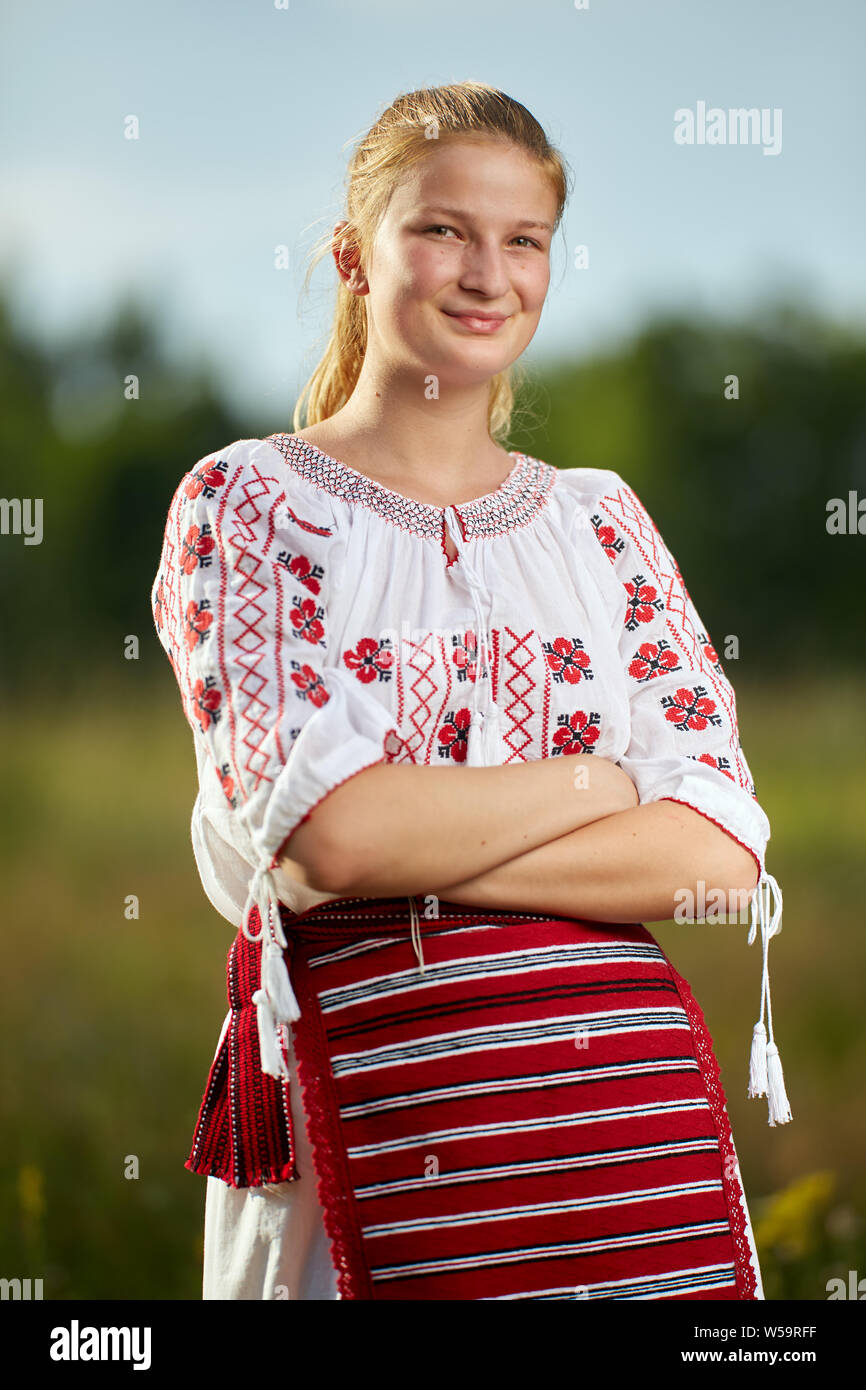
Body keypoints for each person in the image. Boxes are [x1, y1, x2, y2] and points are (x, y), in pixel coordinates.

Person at [150, 80, 790, 1302]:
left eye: (523, 240)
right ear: (352, 255)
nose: (485, 273)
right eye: (441, 229)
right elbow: (324, 831)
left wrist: (412, 842)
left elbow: (715, 860)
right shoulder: (249, 505)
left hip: (616, 1141)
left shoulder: (600, 523)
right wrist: (595, 786)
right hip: (362, 1124)